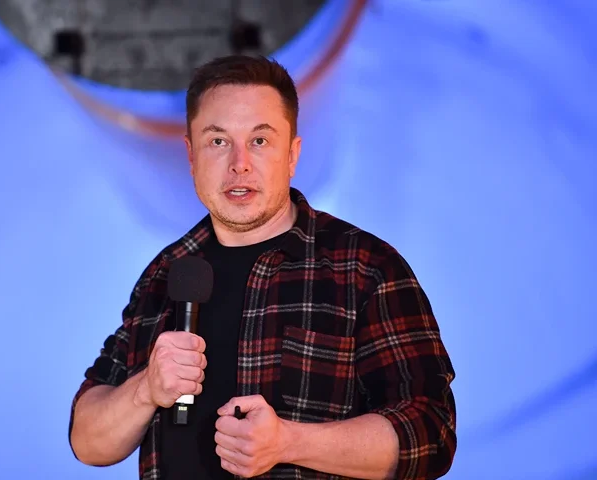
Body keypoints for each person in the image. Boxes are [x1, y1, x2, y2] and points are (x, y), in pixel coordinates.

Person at [68, 55, 457, 480]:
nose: (240, 163)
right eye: (218, 141)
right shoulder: (166, 273)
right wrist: (145, 390)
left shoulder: (365, 267)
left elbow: (432, 433)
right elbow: (87, 441)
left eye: (260, 141)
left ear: (292, 155)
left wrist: (289, 442)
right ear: (191, 155)